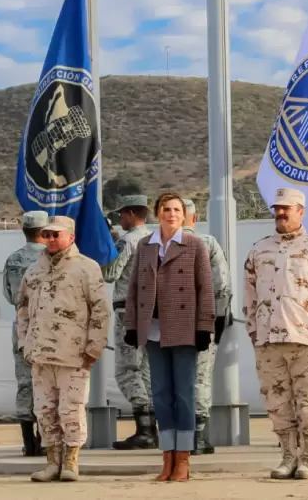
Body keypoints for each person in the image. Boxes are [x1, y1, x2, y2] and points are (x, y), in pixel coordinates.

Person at [243, 187, 308, 480]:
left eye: (287, 208)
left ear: (301, 211)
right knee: (276, 402)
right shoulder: (259, 249)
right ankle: (287, 456)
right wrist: (253, 329)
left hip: (305, 338)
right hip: (268, 341)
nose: (281, 213)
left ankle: (307, 457)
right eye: (277, 208)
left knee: (307, 401)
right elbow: (249, 294)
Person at [124, 192, 215, 482]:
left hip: (185, 329)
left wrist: (204, 327)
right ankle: (167, 457)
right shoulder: (145, 246)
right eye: (166, 209)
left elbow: (206, 289)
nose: (171, 214)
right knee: (161, 396)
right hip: (153, 331)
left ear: (184, 215)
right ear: (157, 213)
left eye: (176, 210)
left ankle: (184, 460)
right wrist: (131, 325)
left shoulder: (194, 245)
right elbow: (134, 288)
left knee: (184, 395)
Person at [17, 215, 110, 482]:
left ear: (71, 236)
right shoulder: (33, 270)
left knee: (70, 409)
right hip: (40, 355)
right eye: (47, 234)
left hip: (73, 354)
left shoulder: (86, 268)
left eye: (57, 234)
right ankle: (52, 461)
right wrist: (25, 343)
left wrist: (94, 347)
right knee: (44, 411)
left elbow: (100, 311)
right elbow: (22, 309)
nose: (51, 239)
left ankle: (71, 460)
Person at [101, 194, 157, 450]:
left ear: (131, 214)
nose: (120, 218)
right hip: (152, 311)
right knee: (146, 371)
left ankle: (144, 428)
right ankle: (153, 427)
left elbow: (111, 274)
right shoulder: (156, 239)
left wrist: (108, 249)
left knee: (126, 371)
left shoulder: (129, 241)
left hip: (127, 310)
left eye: (122, 214)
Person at [182, 198, 232, 455]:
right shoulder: (207, 242)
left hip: (169, 324)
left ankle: (176, 437)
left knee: (175, 378)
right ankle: (198, 437)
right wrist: (220, 319)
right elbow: (222, 286)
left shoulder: (158, 244)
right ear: (194, 216)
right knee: (200, 377)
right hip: (201, 320)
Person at [2, 210, 49, 456]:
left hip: (21, 327)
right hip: (48, 326)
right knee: (46, 382)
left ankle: (28, 442)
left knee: (24, 382)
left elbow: (9, 296)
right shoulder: (51, 258)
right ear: (44, 231)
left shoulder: (13, 260)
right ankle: (44, 438)